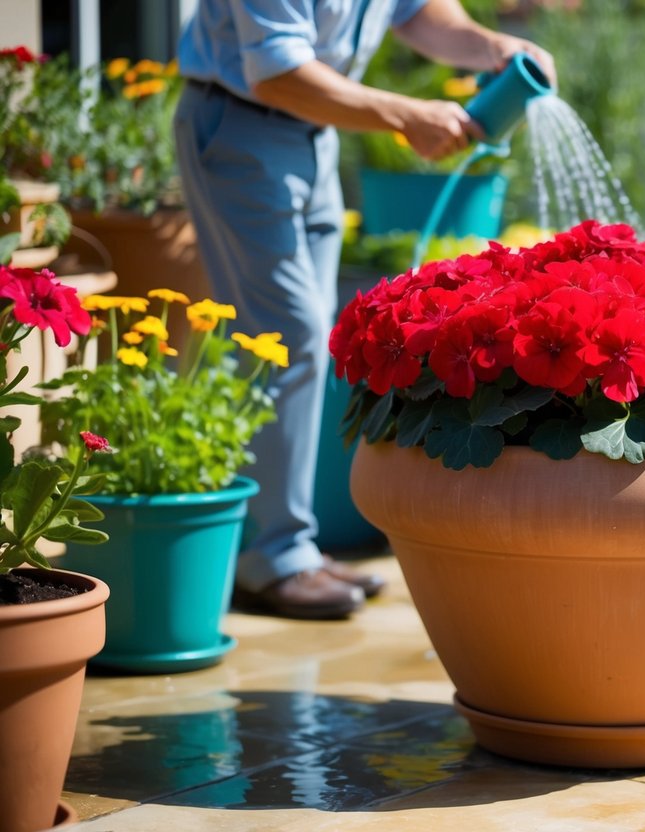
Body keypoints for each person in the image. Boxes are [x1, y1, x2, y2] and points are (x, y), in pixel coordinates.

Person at [173, 0, 556, 619]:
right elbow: (276, 71)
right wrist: (405, 114)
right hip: (241, 122)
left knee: (300, 339)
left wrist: (491, 49)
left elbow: (422, 13)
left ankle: (283, 544)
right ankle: (273, 557)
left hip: (311, 130)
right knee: (285, 334)